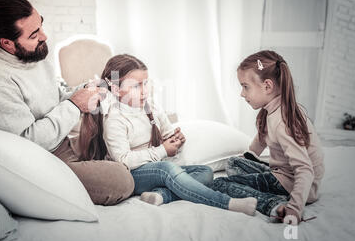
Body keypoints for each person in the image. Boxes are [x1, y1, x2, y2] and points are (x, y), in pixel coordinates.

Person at [0, 0, 134, 205]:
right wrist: (73, 105)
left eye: (41, 25)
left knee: (130, 141)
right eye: (34, 34)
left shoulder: (30, 54)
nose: (44, 36)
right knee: (121, 180)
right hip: (36, 162)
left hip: (59, 144)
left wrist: (83, 92)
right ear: (7, 43)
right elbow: (25, 144)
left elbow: (53, 100)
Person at [78, 54, 258, 216]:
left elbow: (167, 133)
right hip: (131, 175)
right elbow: (123, 160)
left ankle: (161, 195)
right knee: (166, 169)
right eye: (136, 86)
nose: (144, 91)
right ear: (116, 90)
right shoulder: (115, 119)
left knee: (205, 171)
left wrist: (176, 139)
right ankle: (227, 203)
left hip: (154, 168)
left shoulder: (152, 107)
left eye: (146, 83)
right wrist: (163, 150)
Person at [211, 50, 325, 225]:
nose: (242, 94)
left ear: (267, 86)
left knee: (219, 184)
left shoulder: (283, 122)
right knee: (234, 163)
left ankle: (272, 203)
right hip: (284, 174)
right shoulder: (273, 109)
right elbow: (259, 142)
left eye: (245, 86)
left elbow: (305, 169)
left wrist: (295, 208)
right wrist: (247, 162)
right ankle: (266, 187)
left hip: (293, 183)